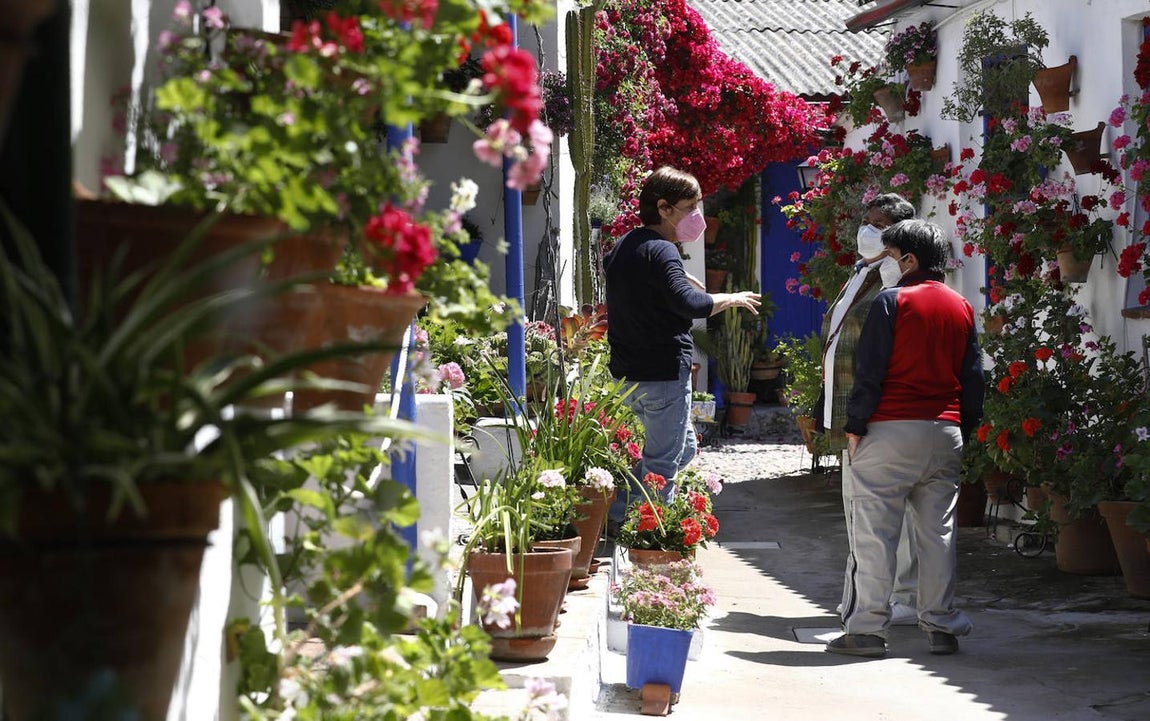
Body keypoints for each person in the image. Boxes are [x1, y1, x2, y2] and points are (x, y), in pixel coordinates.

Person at [826, 219, 984, 658]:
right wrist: (961, 430)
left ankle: (866, 632)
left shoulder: (890, 302)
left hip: (890, 430)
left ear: (909, 260)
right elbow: (973, 378)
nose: (886, 265)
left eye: (892, 256)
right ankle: (942, 626)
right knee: (938, 535)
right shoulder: (961, 306)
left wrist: (855, 426)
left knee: (874, 534)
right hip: (944, 431)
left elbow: (869, 372)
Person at [603, 166, 760, 528]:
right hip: (661, 373)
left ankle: (618, 507)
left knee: (682, 449)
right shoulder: (662, 250)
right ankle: (651, 540)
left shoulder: (628, 244)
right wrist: (729, 297)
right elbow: (690, 304)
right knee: (662, 466)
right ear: (663, 208)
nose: (697, 216)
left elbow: (646, 285)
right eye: (690, 206)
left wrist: (674, 277)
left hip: (628, 373)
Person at [813, 193, 920, 627]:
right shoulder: (864, 272)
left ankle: (903, 596)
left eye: (877, 224)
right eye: (867, 220)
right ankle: (868, 595)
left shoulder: (896, 277)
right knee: (858, 510)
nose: (867, 230)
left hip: (875, 409)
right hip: (848, 406)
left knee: (892, 512)